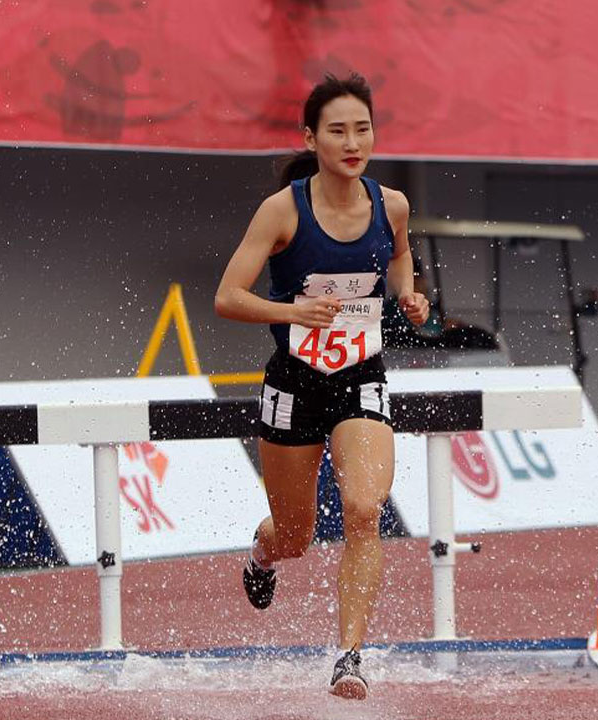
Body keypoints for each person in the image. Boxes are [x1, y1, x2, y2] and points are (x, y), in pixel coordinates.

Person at [214, 72, 429, 699]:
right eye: (337, 130)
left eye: (362, 128)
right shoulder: (283, 211)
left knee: (364, 509)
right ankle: (262, 552)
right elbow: (228, 296)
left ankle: (349, 657)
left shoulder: (391, 205)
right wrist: (292, 313)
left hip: (360, 375)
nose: (352, 141)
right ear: (312, 138)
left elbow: (398, 256)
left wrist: (409, 298)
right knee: (296, 536)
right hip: (294, 381)